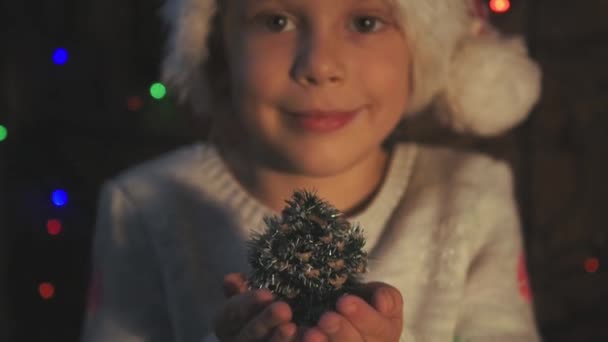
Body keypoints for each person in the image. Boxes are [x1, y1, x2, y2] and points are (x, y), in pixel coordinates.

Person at [81, 0, 543, 341]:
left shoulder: (472, 195)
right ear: (218, 50)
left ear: (421, 53)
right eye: (276, 21)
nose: (319, 65)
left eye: (366, 22)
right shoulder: (146, 205)